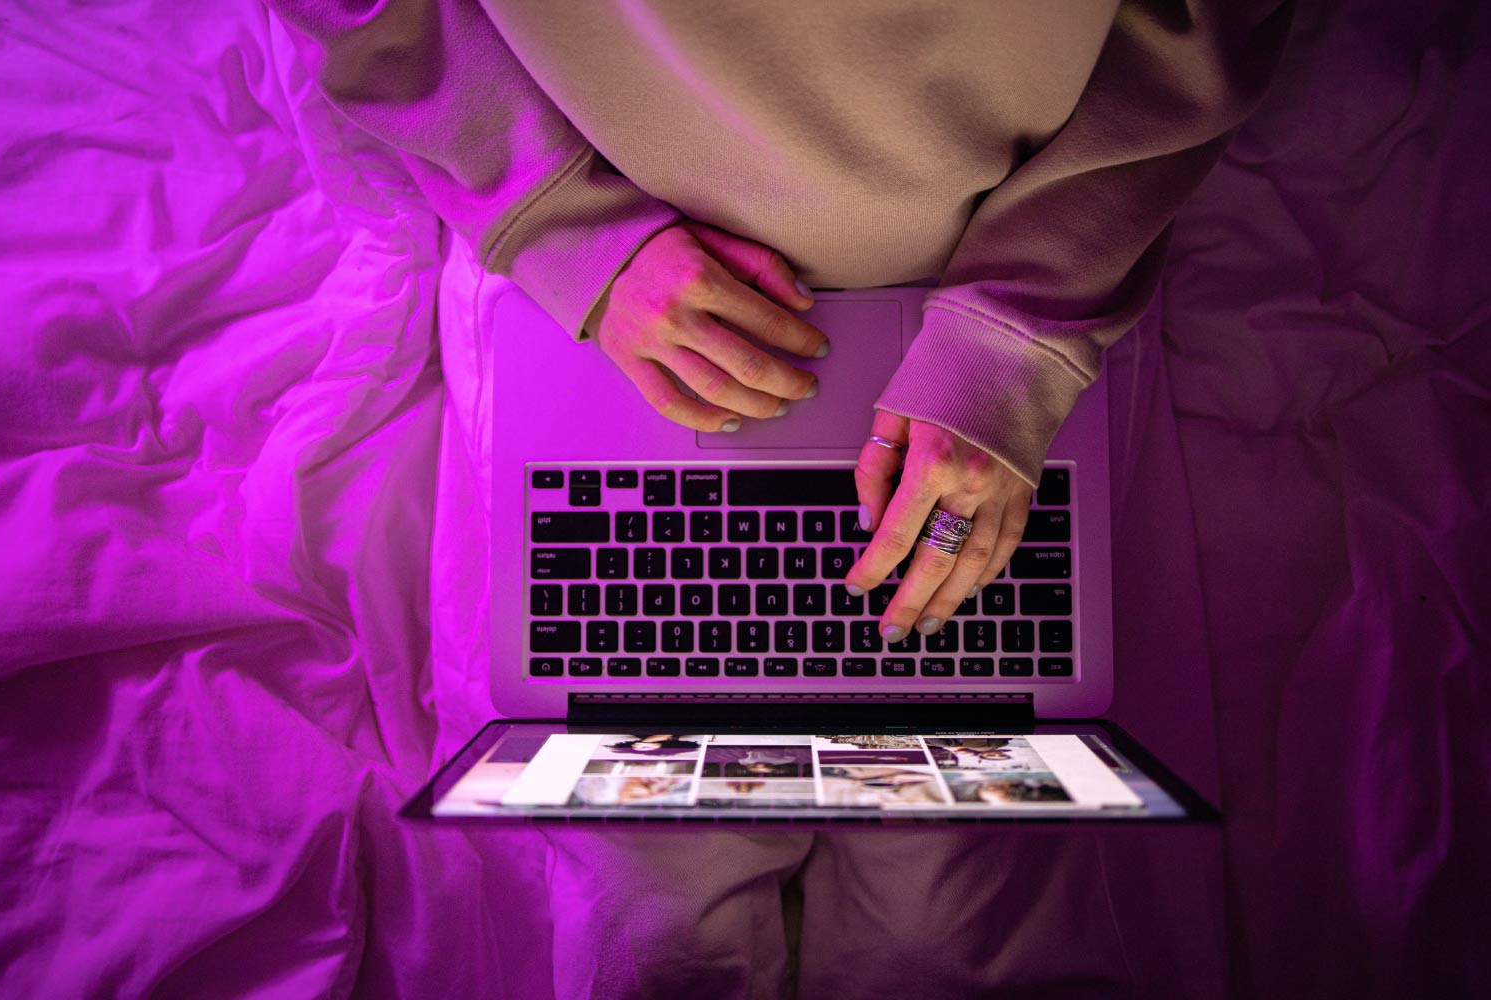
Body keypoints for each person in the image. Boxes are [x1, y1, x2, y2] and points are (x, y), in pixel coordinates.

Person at [268, 1, 1290, 995]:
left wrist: (1015, 336)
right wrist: (571, 226)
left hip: (1012, 275)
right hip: (606, 291)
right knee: (648, 931)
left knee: (957, 926)